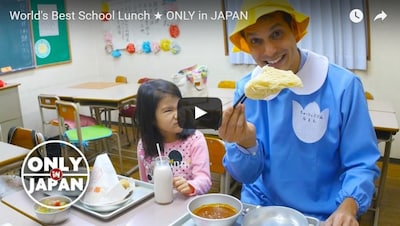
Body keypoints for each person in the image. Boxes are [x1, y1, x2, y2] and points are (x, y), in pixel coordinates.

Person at [219, 0, 381, 225]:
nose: (269, 51)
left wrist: (349, 205)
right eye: (256, 41)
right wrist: (246, 144)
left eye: (277, 34)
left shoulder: (343, 86)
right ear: (247, 45)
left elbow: (361, 162)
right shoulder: (248, 91)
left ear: (295, 31)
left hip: (323, 214)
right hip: (261, 210)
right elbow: (246, 176)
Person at [135, 79, 212, 196]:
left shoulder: (195, 139)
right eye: (168, 110)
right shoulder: (144, 144)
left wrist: (191, 186)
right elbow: (145, 184)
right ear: (150, 118)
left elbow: (204, 179)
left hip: (187, 205)